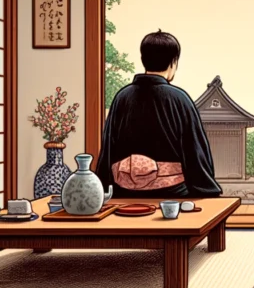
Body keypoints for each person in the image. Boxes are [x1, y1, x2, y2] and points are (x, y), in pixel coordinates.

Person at [95, 30, 222, 199]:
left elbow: (108, 149)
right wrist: (205, 188)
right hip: (172, 192)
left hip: (125, 192)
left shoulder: (122, 97)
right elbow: (194, 151)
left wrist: (103, 188)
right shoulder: (179, 99)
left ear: (143, 60)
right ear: (173, 62)